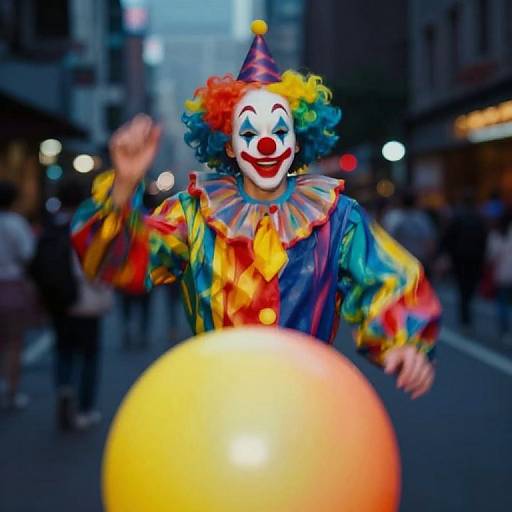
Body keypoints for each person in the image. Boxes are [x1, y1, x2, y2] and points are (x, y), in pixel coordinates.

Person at [72, 20, 440, 400]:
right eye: (249, 134)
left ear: (297, 139)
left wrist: (404, 341)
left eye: (280, 132)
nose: (266, 145)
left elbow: (389, 279)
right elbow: (112, 262)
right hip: (218, 407)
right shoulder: (194, 214)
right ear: (229, 145)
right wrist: (124, 186)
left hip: (308, 406)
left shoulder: (336, 217)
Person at [31, 181, 112, 430]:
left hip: (59, 300)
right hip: (86, 301)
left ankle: (64, 388)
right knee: (89, 356)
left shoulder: (50, 225)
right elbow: (97, 265)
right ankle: (85, 409)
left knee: (63, 350)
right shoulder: (88, 226)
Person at [0, 180, 35, 410]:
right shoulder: (16, 224)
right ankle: (12, 391)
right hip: (11, 286)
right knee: (13, 343)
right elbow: (28, 254)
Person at [442, 191, 487, 330]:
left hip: (460, 257)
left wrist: (447, 253)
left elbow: (448, 237)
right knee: (471, 284)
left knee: (462, 285)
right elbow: (484, 238)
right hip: (475, 257)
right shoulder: (479, 218)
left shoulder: (458, 217)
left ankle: (464, 313)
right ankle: (466, 309)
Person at [384, 190, 438, 276]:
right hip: (419, 260)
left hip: (400, 261)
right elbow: (430, 242)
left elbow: (386, 241)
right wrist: (431, 260)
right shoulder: (422, 218)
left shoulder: (393, 218)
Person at [486, 209, 512, 344]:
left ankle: (505, 331)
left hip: (502, 274)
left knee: (502, 304)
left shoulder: (497, 235)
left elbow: (491, 256)